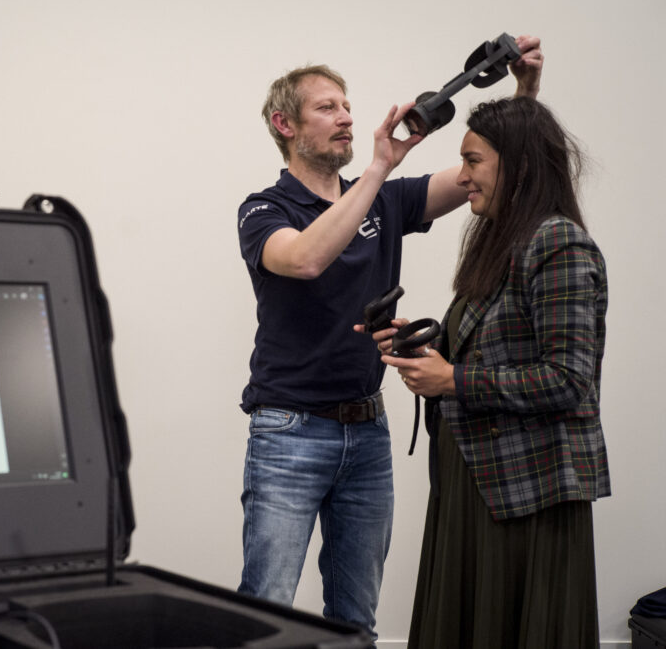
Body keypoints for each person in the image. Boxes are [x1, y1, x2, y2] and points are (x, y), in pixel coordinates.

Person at [235, 36, 544, 639]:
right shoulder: (263, 209)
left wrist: (524, 90)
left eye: (347, 104)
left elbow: (497, 169)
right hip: (288, 433)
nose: (346, 116)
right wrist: (379, 168)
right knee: (265, 613)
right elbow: (304, 260)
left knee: (356, 619)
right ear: (284, 123)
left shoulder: (389, 200)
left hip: (367, 434)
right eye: (326, 107)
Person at [377, 97, 610, 648]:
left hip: (528, 497)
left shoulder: (559, 244)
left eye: (473, 161)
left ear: (520, 166)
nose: (462, 178)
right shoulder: (504, 244)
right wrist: (425, 347)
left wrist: (452, 380)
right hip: (478, 486)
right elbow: (499, 343)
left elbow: (568, 379)